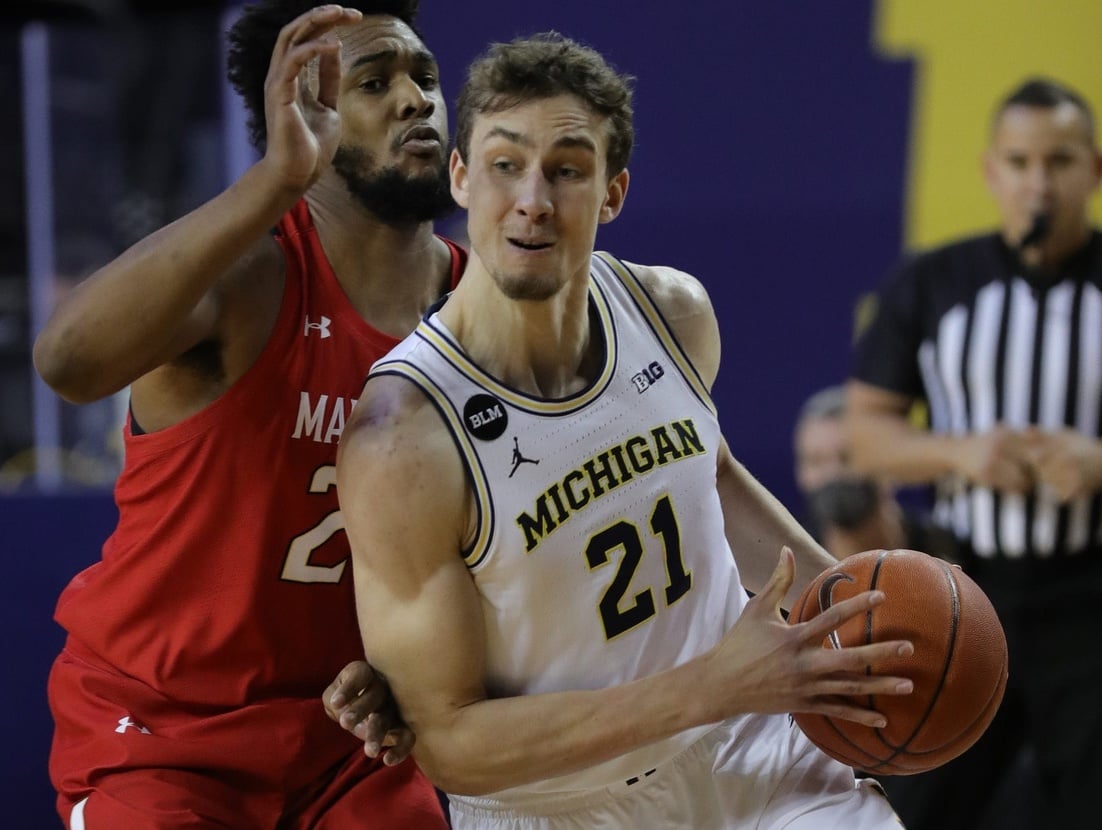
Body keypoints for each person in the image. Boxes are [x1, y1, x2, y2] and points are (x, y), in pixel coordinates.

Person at [336, 32, 915, 829]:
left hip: (751, 748)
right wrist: (712, 685)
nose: (533, 198)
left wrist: (863, 613)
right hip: (558, 803)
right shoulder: (403, 437)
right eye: (505, 164)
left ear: (612, 193)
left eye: (567, 169)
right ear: (460, 177)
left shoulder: (673, 311)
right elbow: (451, 744)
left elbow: (709, 475)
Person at [32, 3, 464, 827]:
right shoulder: (251, 280)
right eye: (375, 83)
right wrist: (274, 182)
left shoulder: (479, 316)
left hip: (347, 739)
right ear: (304, 116)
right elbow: (67, 361)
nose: (416, 100)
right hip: (162, 731)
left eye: (425, 77)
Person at [846, 76, 1102, 830]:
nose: (1039, 183)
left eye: (1059, 161)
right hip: (963, 593)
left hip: (1093, 601)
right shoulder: (933, 283)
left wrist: (1097, 462)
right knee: (914, 808)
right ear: (992, 171)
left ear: (1094, 169)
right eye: (1020, 163)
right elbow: (866, 434)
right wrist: (961, 455)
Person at [794, 384, 957, 562]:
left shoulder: (951, 553)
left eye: (846, 458)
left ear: (887, 464)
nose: (833, 474)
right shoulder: (791, 563)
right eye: (816, 461)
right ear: (801, 473)